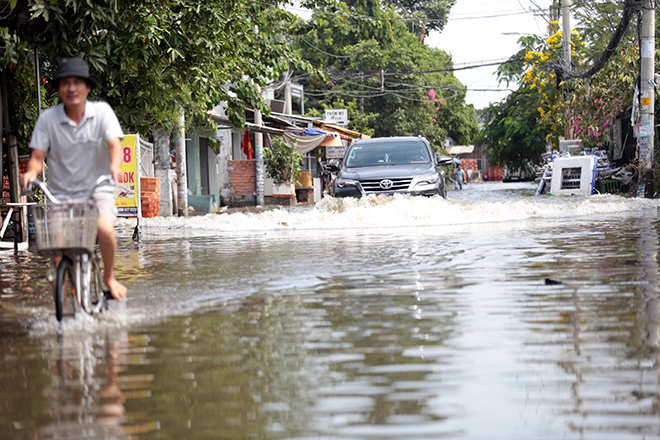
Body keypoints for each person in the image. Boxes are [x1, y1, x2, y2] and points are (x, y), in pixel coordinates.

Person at [20, 57, 127, 301]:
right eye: (66, 83)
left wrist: (114, 166)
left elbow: (113, 145)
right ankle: (69, 297)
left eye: (77, 82)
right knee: (56, 249)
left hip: (97, 190)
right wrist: (30, 173)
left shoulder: (101, 113)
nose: (71, 88)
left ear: (87, 87)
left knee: (103, 228)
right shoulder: (48, 119)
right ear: (59, 88)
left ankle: (109, 277)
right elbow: (37, 157)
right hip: (61, 195)